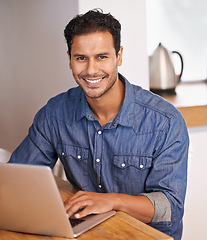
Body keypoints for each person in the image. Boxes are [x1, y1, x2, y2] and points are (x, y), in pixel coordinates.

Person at [8, 9, 189, 240]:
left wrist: (110, 201)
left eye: (102, 57)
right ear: (69, 59)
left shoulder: (166, 122)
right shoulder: (55, 113)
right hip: (90, 232)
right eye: (81, 58)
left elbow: (169, 207)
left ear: (119, 56)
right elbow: (18, 178)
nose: (91, 70)